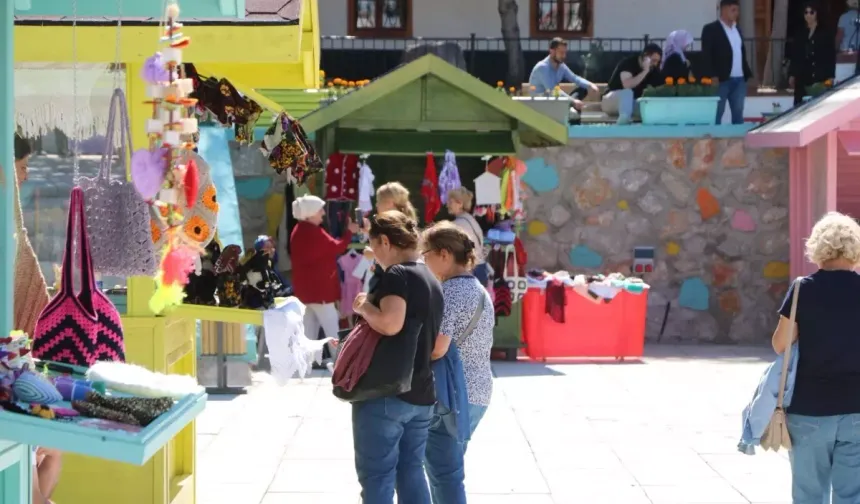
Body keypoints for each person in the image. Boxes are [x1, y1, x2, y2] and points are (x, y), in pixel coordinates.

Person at [351, 210, 444, 504]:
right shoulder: (430, 275)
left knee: (377, 477)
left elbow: (391, 323)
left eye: (373, 245)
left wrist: (364, 306)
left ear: (385, 241)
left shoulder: (397, 275)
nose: (373, 253)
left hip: (386, 393)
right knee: (411, 472)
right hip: (421, 393)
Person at [771, 212, 860, 503]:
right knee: (851, 495)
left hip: (809, 410)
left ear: (818, 249)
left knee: (809, 495)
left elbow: (780, 345)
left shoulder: (802, 290)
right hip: (857, 410)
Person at [422, 222, 495, 446]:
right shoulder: (478, 289)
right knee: (450, 466)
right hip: (478, 389)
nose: (424, 262)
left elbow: (438, 348)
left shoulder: (451, 291)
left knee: (441, 472)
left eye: (425, 254)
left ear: (444, 254)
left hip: (453, 393)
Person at [289, 195, 358, 371]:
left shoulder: (300, 230)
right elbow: (337, 247)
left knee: (309, 326)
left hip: (307, 290)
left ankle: (306, 362)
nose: (322, 213)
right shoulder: (311, 232)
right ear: (310, 213)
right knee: (331, 326)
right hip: (319, 290)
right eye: (319, 210)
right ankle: (340, 361)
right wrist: (349, 232)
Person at [700, 0, 754, 125]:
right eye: (733, 10)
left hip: (739, 79)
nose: (736, 14)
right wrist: (712, 75)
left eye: (737, 10)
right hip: (721, 79)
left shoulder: (737, 29)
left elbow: (740, 52)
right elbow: (706, 54)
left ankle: (737, 142)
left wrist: (746, 73)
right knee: (717, 113)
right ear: (723, 10)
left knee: (738, 113)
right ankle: (712, 141)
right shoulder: (711, 29)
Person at [365, 182, 418, 292]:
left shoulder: (393, 224)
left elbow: (397, 254)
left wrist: (374, 254)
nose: (376, 205)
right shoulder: (405, 222)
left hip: (394, 283)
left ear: (389, 203)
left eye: (379, 201)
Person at [528, 37, 600, 115]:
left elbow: (574, 78)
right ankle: (572, 110)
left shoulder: (561, 66)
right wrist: (573, 101)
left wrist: (590, 85)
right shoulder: (542, 67)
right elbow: (553, 91)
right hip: (542, 103)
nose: (564, 56)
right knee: (573, 108)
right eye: (561, 53)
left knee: (583, 88)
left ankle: (572, 109)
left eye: (565, 52)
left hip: (555, 100)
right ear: (552, 51)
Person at [601, 43, 663, 124]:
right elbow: (627, 85)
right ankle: (624, 120)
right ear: (645, 57)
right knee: (627, 92)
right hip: (612, 101)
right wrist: (645, 71)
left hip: (631, 103)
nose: (655, 64)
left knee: (647, 106)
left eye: (658, 61)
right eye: (654, 60)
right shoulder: (628, 63)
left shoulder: (653, 70)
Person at [789, 2, 836, 105]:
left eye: (811, 12)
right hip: (803, 76)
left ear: (817, 13)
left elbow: (830, 55)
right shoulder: (800, 32)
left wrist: (831, 76)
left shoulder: (825, 32)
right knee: (800, 106)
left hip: (821, 76)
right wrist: (792, 74)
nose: (808, 15)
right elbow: (795, 54)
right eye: (806, 12)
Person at [445, 187, 487, 285]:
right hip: (480, 268)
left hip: (471, 271)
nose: (447, 205)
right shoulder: (470, 219)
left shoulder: (458, 224)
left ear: (460, 203)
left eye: (450, 202)